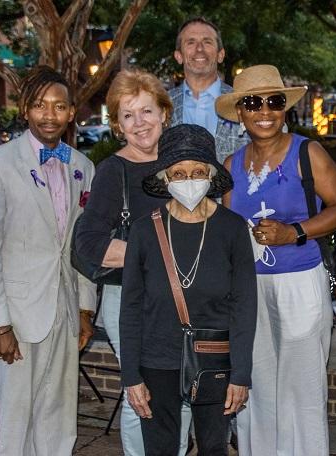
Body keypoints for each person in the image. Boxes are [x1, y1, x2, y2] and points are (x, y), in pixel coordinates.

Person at [217, 64, 336, 455]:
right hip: (249, 286)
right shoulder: (231, 166)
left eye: (274, 101)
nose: (265, 110)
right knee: (254, 381)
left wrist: (293, 232)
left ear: (285, 108)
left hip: (300, 278)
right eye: (253, 103)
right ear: (240, 112)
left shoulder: (306, 152)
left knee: (302, 386)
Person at [0, 65, 97, 455]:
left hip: (65, 313)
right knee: (17, 422)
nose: (49, 115)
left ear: (72, 112)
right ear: (25, 109)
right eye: (40, 105)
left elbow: (81, 246)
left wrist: (85, 309)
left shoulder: (82, 168)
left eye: (59, 106)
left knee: (59, 418)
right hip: (16, 317)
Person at [74, 68, 193, 455]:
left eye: (146, 111)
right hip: (133, 301)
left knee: (188, 389)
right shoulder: (114, 172)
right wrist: (154, 255)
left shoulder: (184, 164)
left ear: (164, 113)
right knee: (141, 395)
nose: (139, 123)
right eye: (128, 115)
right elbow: (88, 242)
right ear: (118, 125)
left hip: (187, 299)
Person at [119, 124, 257, 455]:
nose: (189, 180)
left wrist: (241, 374)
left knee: (213, 447)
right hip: (155, 359)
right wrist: (130, 377)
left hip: (214, 359)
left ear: (211, 175)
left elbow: (244, 306)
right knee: (160, 448)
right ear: (165, 178)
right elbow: (131, 308)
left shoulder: (233, 229)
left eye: (197, 171)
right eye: (178, 173)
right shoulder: (143, 231)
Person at [169, 16, 249, 163]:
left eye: (207, 42)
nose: (199, 49)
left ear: (220, 55)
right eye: (191, 42)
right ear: (178, 56)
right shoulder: (161, 106)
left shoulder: (245, 104)